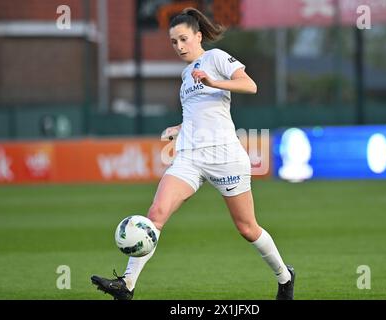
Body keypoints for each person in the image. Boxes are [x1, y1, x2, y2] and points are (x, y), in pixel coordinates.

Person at [91, 7, 295, 300]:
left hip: (225, 156)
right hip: (190, 157)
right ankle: (127, 285)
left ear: (198, 36)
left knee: (247, 228)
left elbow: (249, 85)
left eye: (184, 39)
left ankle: (285, 277)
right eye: (174, 42)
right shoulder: (187, 75)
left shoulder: (215, 58)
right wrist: (179, 128)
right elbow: (198, 114)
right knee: (156, 214)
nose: (179, 46)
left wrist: (214, 82)